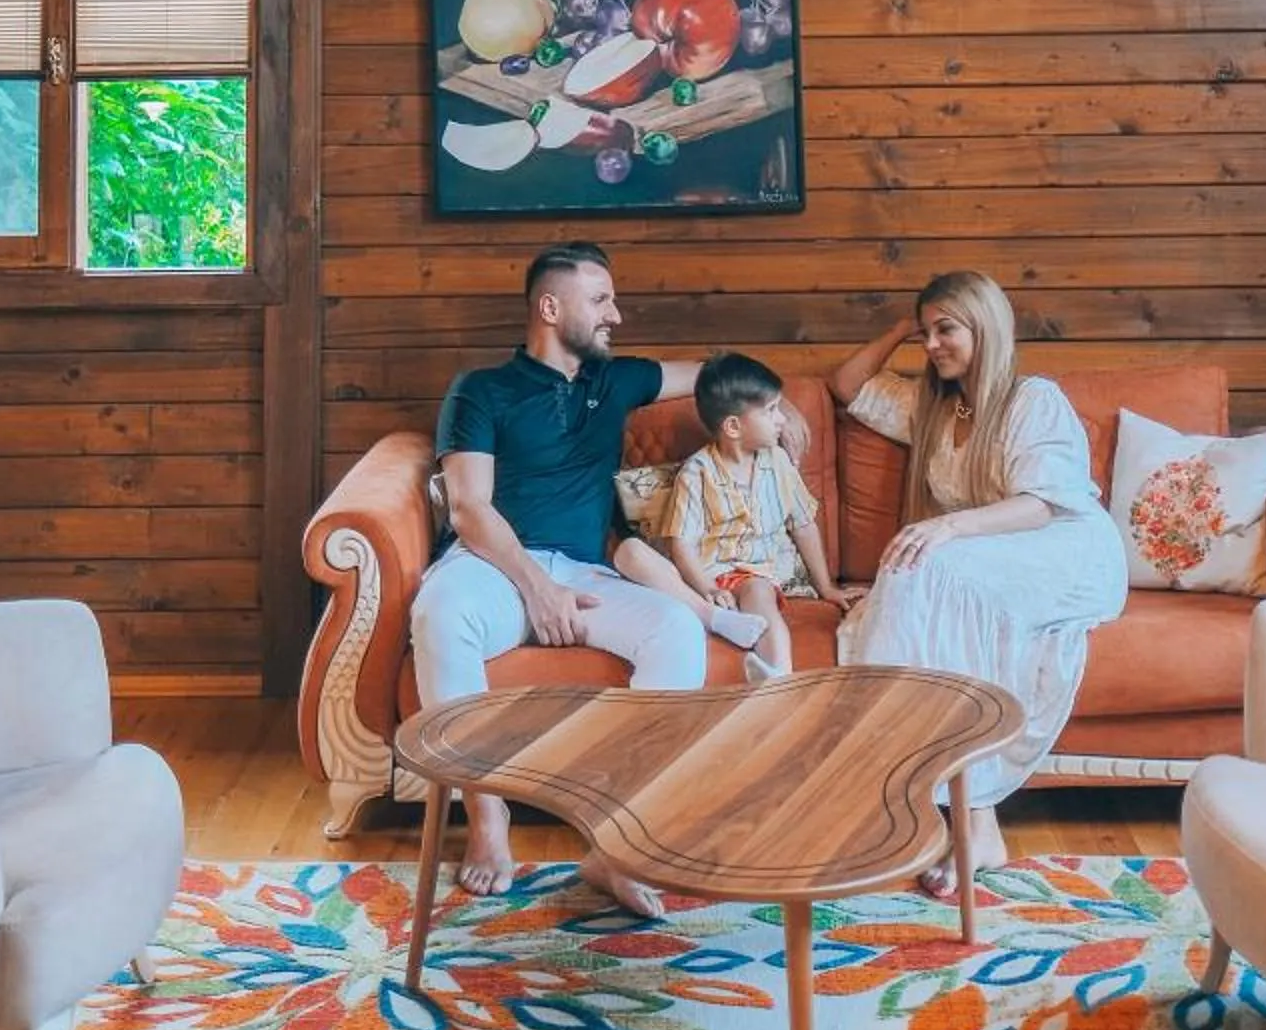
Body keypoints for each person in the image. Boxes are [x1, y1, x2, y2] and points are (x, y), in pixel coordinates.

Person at [412, 243, 804, 909]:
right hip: (493, 569)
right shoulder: (481, 390)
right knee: (438, 614)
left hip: (589, 573)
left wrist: (779, 403)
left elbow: (714, 373)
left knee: (676, 628)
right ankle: (488, 820)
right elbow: (472, 509)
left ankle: (617, 846)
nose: (615, 315)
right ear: (549, 306)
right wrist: (539, 589)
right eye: (600, 301)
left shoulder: (615, 382)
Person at [829, 269, 1126, 894]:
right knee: (914, 570)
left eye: (947, 329)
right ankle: (955, 813)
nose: (934, 344)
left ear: (985, 328)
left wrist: (953, 528)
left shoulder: (1032, 399)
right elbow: (847, 383)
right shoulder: (933, 408)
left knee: (928, 562)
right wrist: (902, 328)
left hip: (1065, 553)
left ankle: (891, 797)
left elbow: (1043, 504)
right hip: (985, 559)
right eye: (927, 332)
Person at [612, 350, 858, 677]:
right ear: (733, 426)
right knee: (630, 553)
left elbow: (804, 525)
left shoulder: (778, 463)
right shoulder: (697, 472)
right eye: (771, 411)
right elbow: (681, 545)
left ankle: (776, 674)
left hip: (753, 576)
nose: (782, 419)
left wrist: (825, 587)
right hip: (702, 580)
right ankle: (716, 617)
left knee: (758, 594)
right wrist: (707, 588)